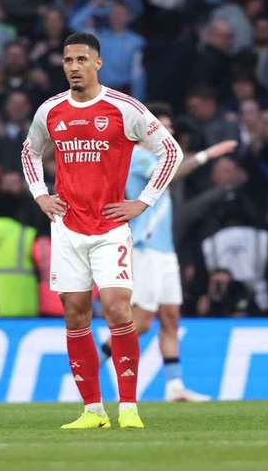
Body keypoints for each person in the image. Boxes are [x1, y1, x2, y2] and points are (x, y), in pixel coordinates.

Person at [21, 32, 183, 430]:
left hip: (111, 227)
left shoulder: (123, 108)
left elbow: (171, 152)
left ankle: (128, 407)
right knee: (75, 316)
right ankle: (93, 410)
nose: (73, 67)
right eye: (67, 60)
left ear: (98, 63)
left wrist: (141, 202)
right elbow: (29, 151)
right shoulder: (51, 111)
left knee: (116, 309)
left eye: (81, 59)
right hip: (67, 229)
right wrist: (41, 195)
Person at [99, 102, 236, 402]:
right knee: (144, 321)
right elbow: (171, 174)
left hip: (165, 252)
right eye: (162, 127)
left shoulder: (159, 156)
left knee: (171, 316)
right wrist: (207, 155)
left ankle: (174, 388)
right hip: (145, 249)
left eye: (170, 128)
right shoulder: (137, 157)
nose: (169, 132)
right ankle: (91, 361)